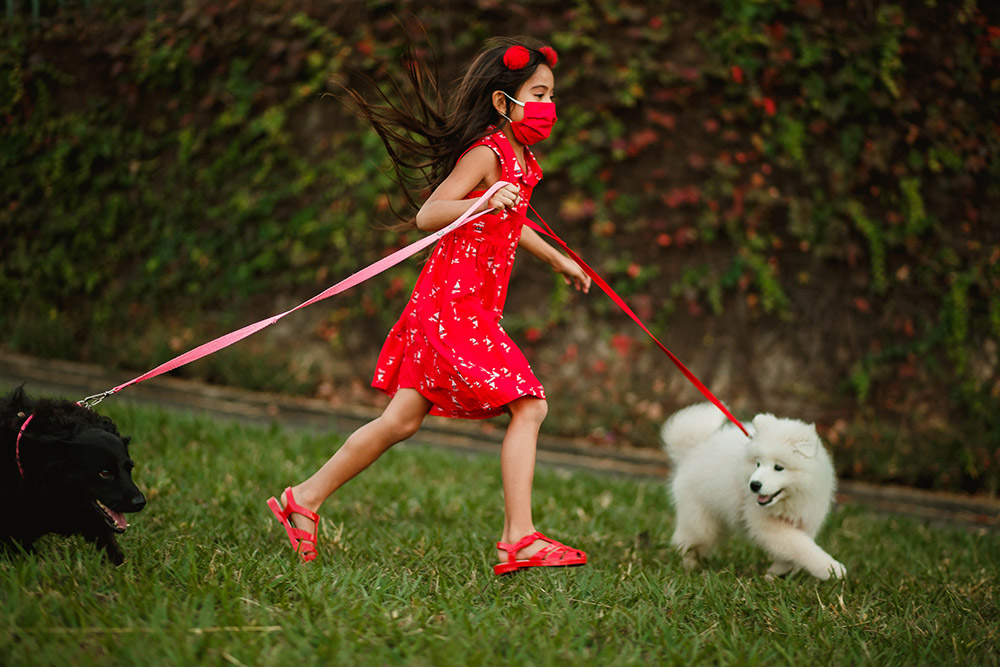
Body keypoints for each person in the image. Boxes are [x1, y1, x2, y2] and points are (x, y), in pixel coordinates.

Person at [267, 36, 592, 575]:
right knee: (530, 405)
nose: (547, 107)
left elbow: (513, 220)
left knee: (400, 420)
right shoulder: (487, 152)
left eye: (551, 96)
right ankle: (519, 537)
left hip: (468, 305)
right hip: (452, 304)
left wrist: (557, 258)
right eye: (537, 93)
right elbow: (430, 214)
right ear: (501, 101)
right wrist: (484, 197)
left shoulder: (522, 157)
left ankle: (303, 499)